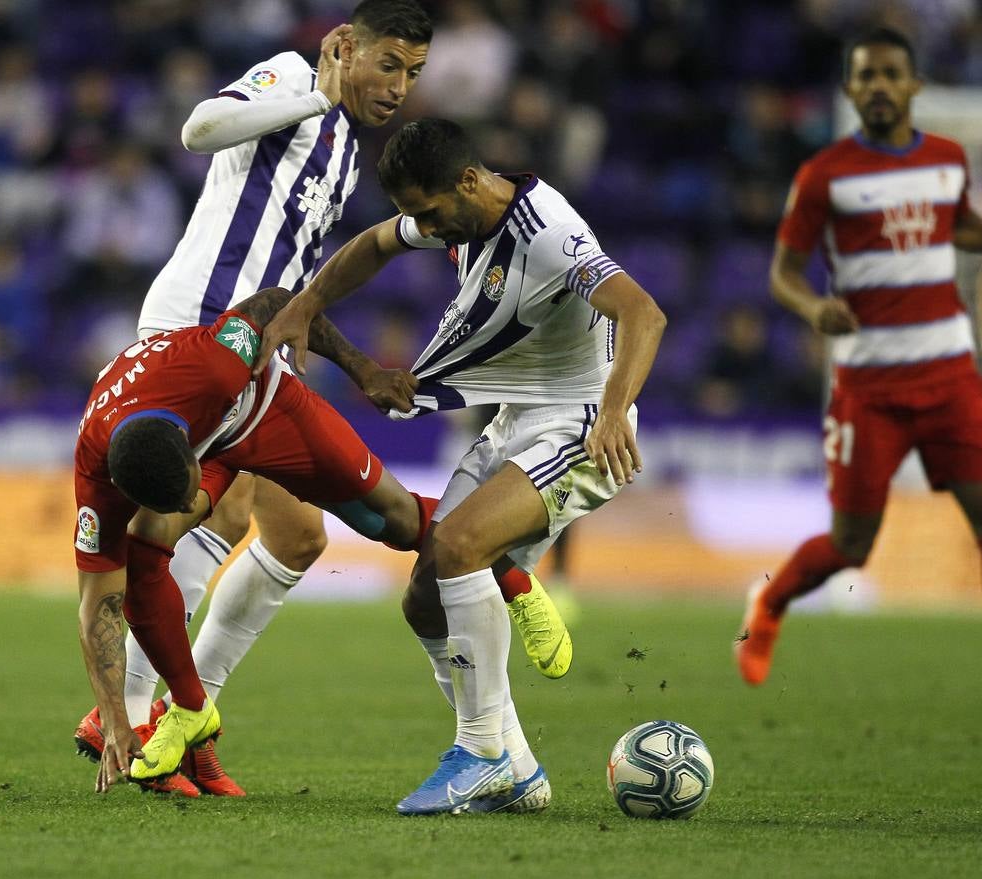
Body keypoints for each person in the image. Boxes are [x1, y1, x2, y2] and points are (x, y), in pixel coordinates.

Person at [73, 0, 572, 795]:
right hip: (198, 336)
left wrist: (353, 362)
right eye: (387, 65)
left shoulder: (345, 153)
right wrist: (317, 92)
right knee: (176, 524)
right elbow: (198, 129)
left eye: (412, 74)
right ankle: (137, 713)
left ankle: (177, 713)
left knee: (289, 534)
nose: (398, 87)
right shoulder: (294, 79)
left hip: (263, 347)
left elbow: (294, 280)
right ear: (344, 46)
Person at [257, 118, 667, 814]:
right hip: (518, 420)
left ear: (469, 182)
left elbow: (643, 312)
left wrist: (610, 409)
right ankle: (519, 770)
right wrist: (307, 302)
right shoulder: (461, 215)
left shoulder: (547, 233)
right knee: (422, 597)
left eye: (427, 211)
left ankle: (480, 752)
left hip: (581, 425)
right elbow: (375, 243)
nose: (422, 226)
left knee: (457, 546)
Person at [76, 286, 436, 794]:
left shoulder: (215, 364)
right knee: (148, 544)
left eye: (187, 493)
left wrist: (363, 369)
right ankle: (174, 711)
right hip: (193, 354)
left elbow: (274, 301)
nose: (187, 507)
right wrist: (113, 716)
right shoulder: (97, 483)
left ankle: (504, 567)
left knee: (364, 526)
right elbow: (97, 605)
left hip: (258, 400)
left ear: (189, 446)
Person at [735, 27, 982, 687]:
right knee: (852, 545)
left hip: (949, 377)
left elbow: (954, 222)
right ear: (850, 90)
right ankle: (768, 603)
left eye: (889, 75)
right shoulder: (824, 175)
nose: (877, 87)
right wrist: (810, 308)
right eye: (865, 77)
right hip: (869, 388)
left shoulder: (945, 159)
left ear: (913, 85)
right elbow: (783, 273)